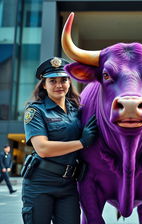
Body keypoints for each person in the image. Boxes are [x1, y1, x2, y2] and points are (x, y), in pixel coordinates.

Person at [22, 57, 98, 224]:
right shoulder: (36, 111)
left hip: (69, 184)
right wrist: (81, 142)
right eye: (52, 81)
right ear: (44, 84)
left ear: (69, 82)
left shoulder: (78, 110)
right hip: (40, 182)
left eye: (63, 80)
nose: (59, 85)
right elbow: (43, 148)